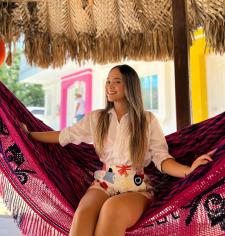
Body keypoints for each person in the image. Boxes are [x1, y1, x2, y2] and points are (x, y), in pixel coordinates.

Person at [21, 64, 213, 236]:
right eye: (108, 81)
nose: (109, 86)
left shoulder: (147, 121)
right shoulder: (97, 118)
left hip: (137, 184)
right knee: (84, 213)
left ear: (129, 86)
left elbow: (162, 159)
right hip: (107, 179)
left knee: (112, 209)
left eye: (116, 82)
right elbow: (64, 135)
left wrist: (189, 171)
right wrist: (29, 136)